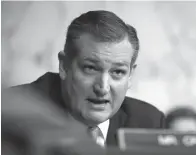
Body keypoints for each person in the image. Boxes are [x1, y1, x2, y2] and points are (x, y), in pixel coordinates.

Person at [2, 10, 165, 152]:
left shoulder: (148, 122)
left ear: (130, 76)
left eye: (118, 72)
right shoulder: (13, 116)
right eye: (91, 68)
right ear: (64, 66)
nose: (102, 87)